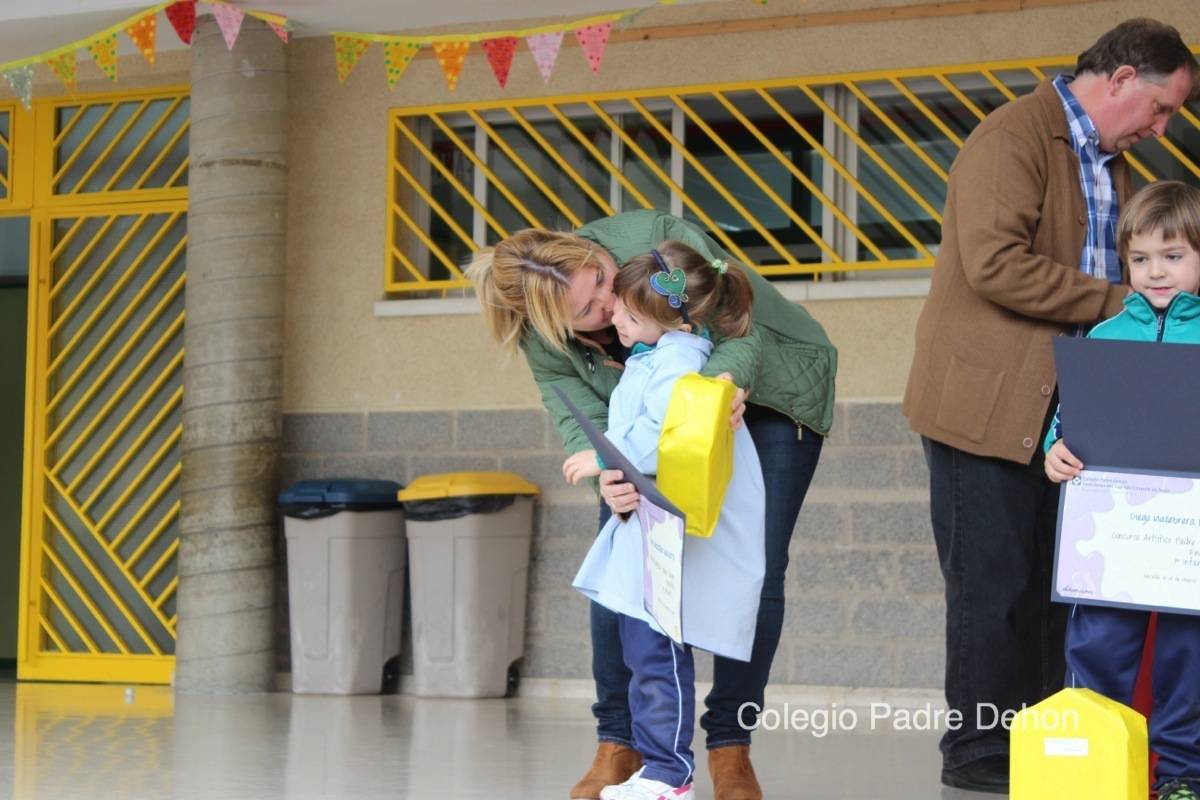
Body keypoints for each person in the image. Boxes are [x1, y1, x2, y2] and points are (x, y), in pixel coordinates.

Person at [902, 18, 1197, 793]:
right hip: (984, 407)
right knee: (992, 588)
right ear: (1122, 79)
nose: (1162, 128)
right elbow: (995, 263)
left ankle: (1045, 745)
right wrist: (1120, 300)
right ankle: (979, 754)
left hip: (1060, 412)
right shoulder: (1015, 136)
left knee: (1054, 592)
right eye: (1161, 109)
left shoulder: (1106, 162)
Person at [468, 210, 837, 800]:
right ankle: (620, 740)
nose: (609, 304)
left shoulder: (652, 241)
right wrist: (608, 483)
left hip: (765, 390)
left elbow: (739, 330)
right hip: (650, 427)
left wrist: (716, 391)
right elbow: (576, 416)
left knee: (756, 568)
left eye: (603, 281)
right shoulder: (540, 333)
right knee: (625, 575)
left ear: (593, 254)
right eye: (587, 311)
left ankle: (730, 747)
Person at [563, 241, 765, 800]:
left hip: (666, 531)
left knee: (657, 649)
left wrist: (601, 455)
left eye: (628, 315)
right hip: (649, 525)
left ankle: (670, 774)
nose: (614, 320)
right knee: (643, 646)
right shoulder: (656, 356)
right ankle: (659, 766)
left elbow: (663, 434)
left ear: (667, 317)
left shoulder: (679, 363)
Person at [1043, 181, 1200, 800]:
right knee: (1098, 644)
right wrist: (1056, 449)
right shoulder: (1103, 337)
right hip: (1111, 534)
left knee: (1188, 658)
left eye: (1173, 256)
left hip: (1187, 539)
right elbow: (1072, 418)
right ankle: (1093, 769)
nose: (1156, 272)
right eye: (1141, 259)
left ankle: (1182, 774)